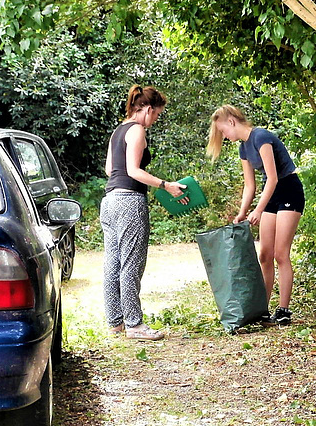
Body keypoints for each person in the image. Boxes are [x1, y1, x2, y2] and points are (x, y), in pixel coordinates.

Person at [100, 85, 187, 340]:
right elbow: (133, 171)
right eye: (157, 114)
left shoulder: (118, 130)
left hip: (110, 201)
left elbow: (109, 169)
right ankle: (135, 324)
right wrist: (165, 185)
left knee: (113, 263)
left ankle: (116, 322)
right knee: (131, 264)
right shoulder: (137, 130)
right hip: (129, 201)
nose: (156, 120)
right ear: (148, 109)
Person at [207, 105, 305, 326]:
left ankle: (283, 310)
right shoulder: (243, 148)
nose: (224, 135)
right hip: (270, 194)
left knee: (281, 254)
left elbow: (272, 177)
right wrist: (242, 212)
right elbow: (249, 185)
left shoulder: (261, 136)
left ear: (231, 121)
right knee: (264, 255)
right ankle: (262, 309)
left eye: (223, 131)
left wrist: (258, 210)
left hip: (288, 189)